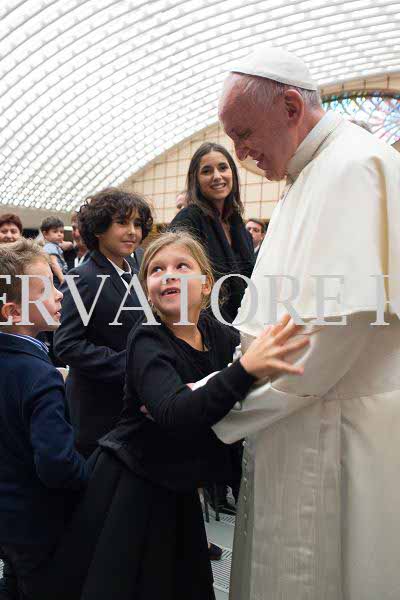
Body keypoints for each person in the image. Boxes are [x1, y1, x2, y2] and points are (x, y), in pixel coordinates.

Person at [215, 45, 400, 600]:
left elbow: (325, 346)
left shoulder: (354, 167)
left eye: (244, 134)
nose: (241, 155)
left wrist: (222, 399)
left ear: (291, 107)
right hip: (294, 422)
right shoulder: (307, 174)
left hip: (334, 435)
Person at [49, 230, 308, 600]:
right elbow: (175, 412)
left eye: (180, 266)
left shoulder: (218, 335)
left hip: (177, 483)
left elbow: (220, 402)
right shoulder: (147, 338)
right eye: (156, 269)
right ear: (147, 291)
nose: (167, 274)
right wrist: (243, 370)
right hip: (133, 484)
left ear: (206, 285)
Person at [0, 239, 88, 600]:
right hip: (40, 522)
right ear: (11, 311)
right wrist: (89, 476)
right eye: (46, 288)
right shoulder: (40, 376)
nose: (60, 294)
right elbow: (55, 462)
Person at [53, 188, 153, 458]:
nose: (132, 231)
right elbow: (66, 344)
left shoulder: (134, 273)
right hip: (97, 411)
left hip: (128, 407)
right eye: (122, 222)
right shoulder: (83, 277)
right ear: (99, 229)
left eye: (137, 224)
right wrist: (129, 364)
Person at [171, 142, 254, 324]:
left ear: (232, 173)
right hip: (206, 327)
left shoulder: (238, 225)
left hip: (243, 323)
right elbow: (177, 282)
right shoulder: (188, 220)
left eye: (223, 168)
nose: (217, 176)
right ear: (196, 180)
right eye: (207, 171)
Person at [40, 217, 68, 287]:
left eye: (61, 232)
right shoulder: (50, 246)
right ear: (45, 234)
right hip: (56, 278)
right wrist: (62, 279)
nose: (59, 234)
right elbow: (53, 263)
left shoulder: (55, 246)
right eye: (55, 231)